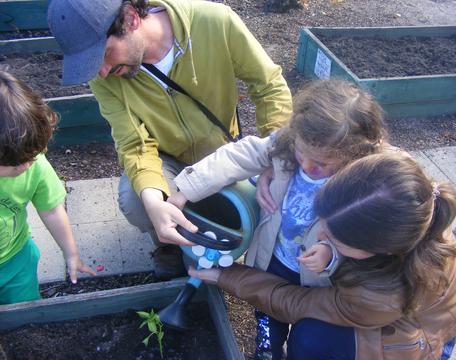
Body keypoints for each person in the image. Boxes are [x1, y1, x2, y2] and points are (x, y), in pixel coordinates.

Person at [47, 0, 292, 279]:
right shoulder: (106, 76)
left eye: (104, 54)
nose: (101, 72)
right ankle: (170, 244)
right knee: (136, 201)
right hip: (166, 158)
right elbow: (133, 143)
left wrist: (275, 157)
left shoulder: (214, 22)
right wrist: (154, 202)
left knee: (255, 207)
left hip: (219, 150)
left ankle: (200, 228)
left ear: (130, 19)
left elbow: (269, 86)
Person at [168, 79, 398, 359]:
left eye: (322, 163)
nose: (308, 166)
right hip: (274, 257)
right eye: (302, 153)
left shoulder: (369, 181)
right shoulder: (290, 143)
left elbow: (368, 237)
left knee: (306, 322)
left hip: (322, 276)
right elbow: (240, 155)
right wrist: (185, 191)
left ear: (356, 154)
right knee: (267, 313)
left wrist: (332, 253)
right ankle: (268, 350)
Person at [189, 152, 456, 360]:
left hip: (407, 343)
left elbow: (297, 302)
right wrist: (278, 167)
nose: (320, 236)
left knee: (310, 339)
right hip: (407, 312)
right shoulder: (394, 182)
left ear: (379, 251)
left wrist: (225, 276)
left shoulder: (379, 294)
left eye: (334, 239)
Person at [0, 71, 96, 305]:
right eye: (11, 165)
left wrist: (70, 253)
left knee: (25, 318)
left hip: (16, 261)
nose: (24, 167)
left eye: (31, 157)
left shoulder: (35, 165)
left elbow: (52, 210)